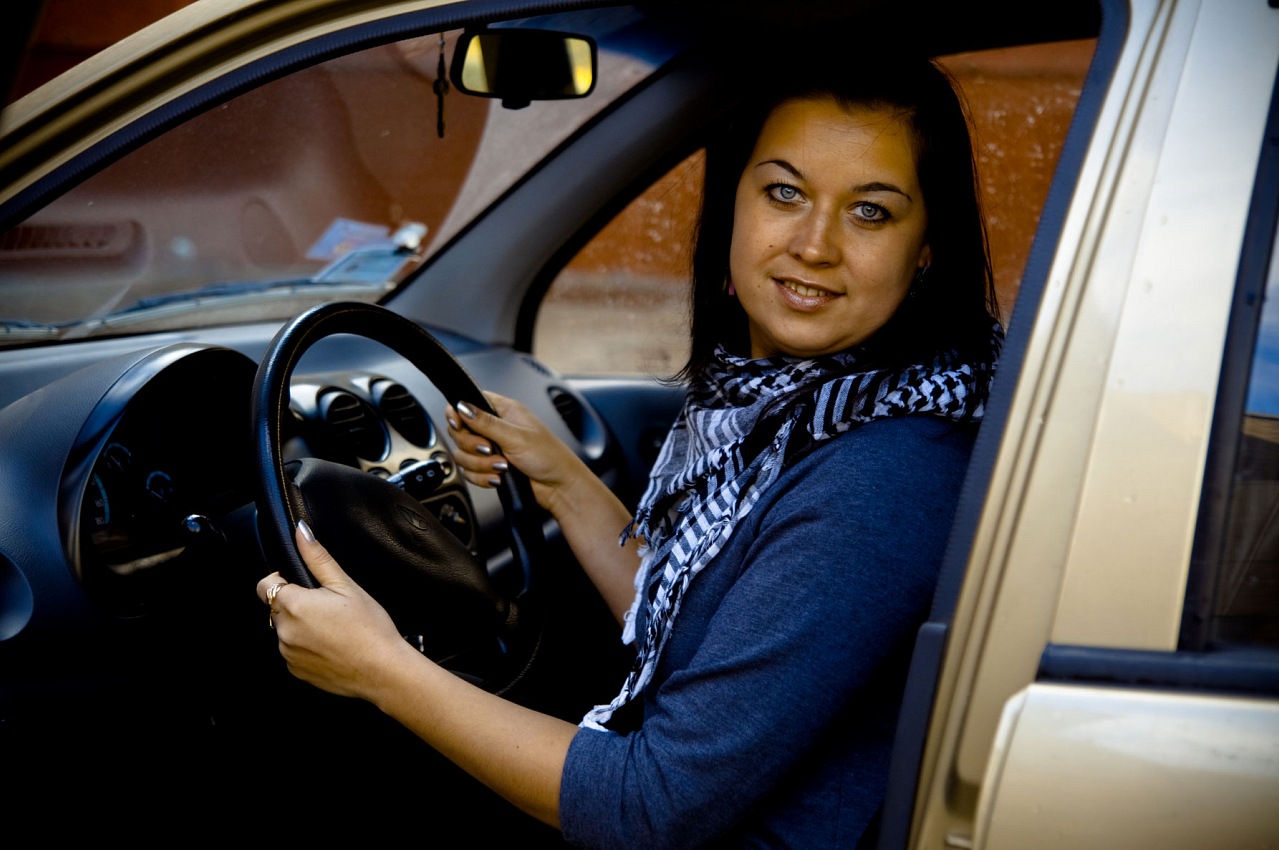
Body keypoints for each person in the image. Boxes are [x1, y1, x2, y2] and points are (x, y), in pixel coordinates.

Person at [256, 51, 1002, 849]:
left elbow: (652, 805)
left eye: (871, 212)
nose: (815, 245)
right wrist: (563, 482)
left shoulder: (880, 478)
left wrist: (382, 670)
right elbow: (701, 635)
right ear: (735, 201)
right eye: (785, 193)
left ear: (927, 248)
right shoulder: (796, 408)